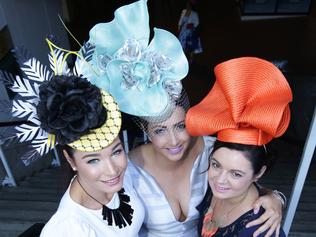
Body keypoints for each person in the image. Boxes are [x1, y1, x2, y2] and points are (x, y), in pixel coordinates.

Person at [79, 1, 284, 236]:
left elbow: (240, 179)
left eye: (180, 125)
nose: (174, 140)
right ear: (146, 130)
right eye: (160, 130)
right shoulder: (128, 168)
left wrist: (273, 197)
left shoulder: (211, 150)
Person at [0, 38, 145, 236]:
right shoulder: (66, 229)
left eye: (116, 151)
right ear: (71, 160)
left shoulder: (123, 176)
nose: (112, 170)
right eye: (93, 159)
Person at [185, 57, 292, 236]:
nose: (220, 180)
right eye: (216, 165)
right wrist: (277, 196)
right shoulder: (215, 191)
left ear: (258, 173)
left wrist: (277, 198)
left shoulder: (258, 229)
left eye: (236, 174)